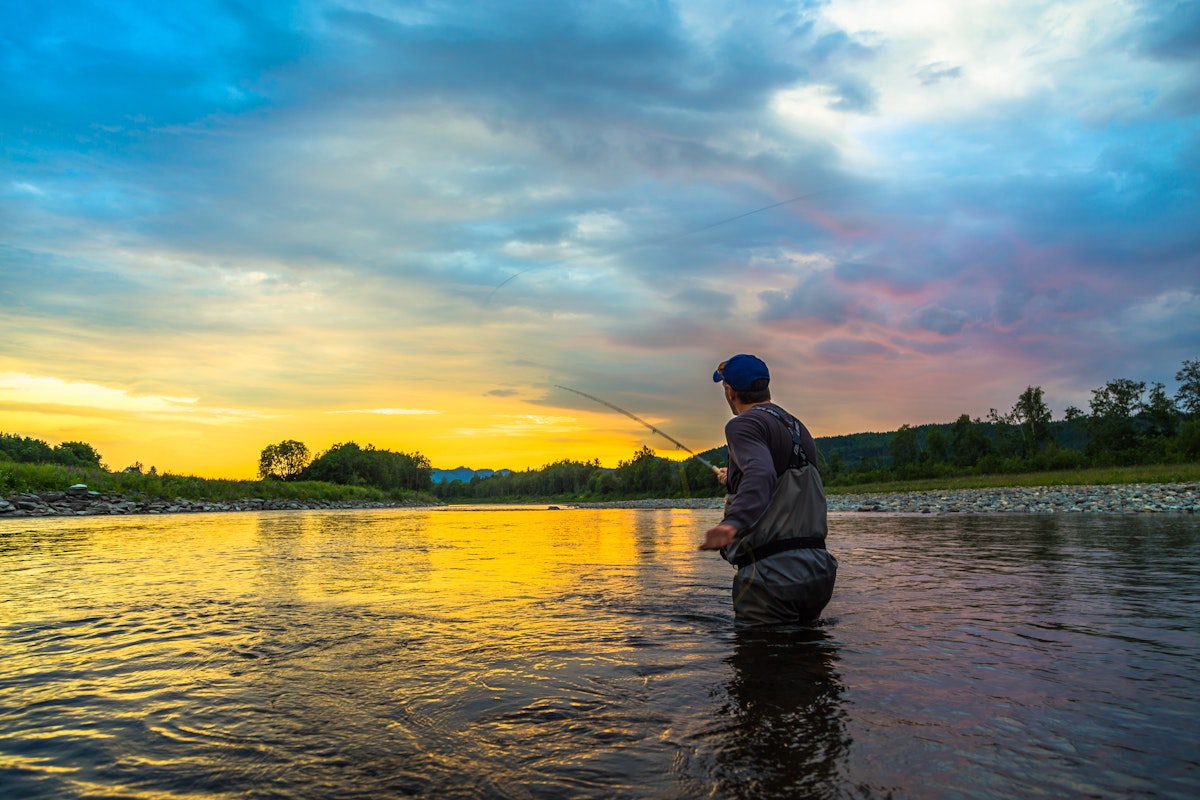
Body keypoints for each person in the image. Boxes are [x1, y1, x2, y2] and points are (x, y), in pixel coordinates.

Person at [700, 354, 838, 626]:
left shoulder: (742, 424)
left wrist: (733, 523)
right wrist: (736, 478)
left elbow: (761, 474)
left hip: (772, 577)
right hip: (818, 570)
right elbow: (782, 480)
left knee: (759, 663)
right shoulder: (798, 426)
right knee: (809, 661)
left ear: (730, 391)